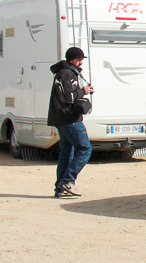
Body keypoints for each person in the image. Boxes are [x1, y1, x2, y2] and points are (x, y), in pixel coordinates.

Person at [48, 47, 94, 198]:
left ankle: (60, 188)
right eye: (79, 59)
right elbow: (68, 97)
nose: (81, 62)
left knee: (66, 152)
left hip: (61, 118)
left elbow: (66, 94)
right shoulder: (67, 73)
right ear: (72, 59)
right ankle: (67, 182)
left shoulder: (64, 72)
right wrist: (83, 91)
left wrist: (81, 90)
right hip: (69, 118)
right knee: (85, 149)